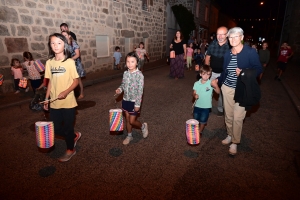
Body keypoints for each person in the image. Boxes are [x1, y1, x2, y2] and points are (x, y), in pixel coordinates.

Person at [218, 27, 262, 155]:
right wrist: (218, 82)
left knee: (238, 117)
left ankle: (235, 142)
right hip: (227, 88)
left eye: (235, 36)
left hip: (242, 89)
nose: (232, 39)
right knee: (228, 115)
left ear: (242, 38)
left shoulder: (250, 52)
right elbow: (224, 71)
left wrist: (244, 73)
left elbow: (258, 69)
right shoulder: (227, 53)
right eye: (230, 37)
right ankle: (230, 135)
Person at [44, 33, 81, 162]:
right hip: (54, 102)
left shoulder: (70, 62)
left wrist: (66, 92)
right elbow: (50, 83)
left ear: (64, 44)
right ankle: (73, 136)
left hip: (68, 102)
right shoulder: (49, 63)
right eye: (52, 43)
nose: (55, 45)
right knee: (55, 128)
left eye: (59, 43)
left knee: (68, 127)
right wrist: (47, 98)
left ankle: (70, 149)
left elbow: (75, 81)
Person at [115, 52, 149, 145]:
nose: (130, 64)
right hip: (126, 100)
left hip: (134, 102)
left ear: (137, 62)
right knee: (127, 119)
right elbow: (123, 84)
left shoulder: (139, 75)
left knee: (132, 121)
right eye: (128, 61)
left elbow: (140, 91)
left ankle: (143, 127)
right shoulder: (125, 73)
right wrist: (119, 89)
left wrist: (137, 104)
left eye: (132, 61)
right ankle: (129, 135)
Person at [205, 26, 230, 117]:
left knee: (222, 92)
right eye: (218, 34)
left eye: (222, 34)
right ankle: (207, 107)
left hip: (224, 74)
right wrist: (206, 71)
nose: (219, 36)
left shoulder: (230, 46)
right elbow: (207, 57)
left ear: (227, 35)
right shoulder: (212, 44)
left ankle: (220, 109)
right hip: (212, 72)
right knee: (208, 90)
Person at [193, 65, 220, 135]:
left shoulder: (211, 83)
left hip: (206, 107)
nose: (206, 76)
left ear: (210, 75)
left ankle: (200, 131)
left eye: (208, 74)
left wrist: (216, 86)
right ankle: (196, 128)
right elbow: (194, 92)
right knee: (196, 119)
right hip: (197, 105)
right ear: (200, 74)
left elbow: (218, 92)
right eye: (204, 74)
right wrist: (194, 95)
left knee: (203, 120)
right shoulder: (196, 83)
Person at [62, 30, 86, 99]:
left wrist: (68, 60)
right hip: (68, 64)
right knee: (69, 80)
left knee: (78, 80)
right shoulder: (63, 44)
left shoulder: (73, 43)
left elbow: (77, 54)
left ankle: (81, 93)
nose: (63, 37)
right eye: (62, 35)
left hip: (76, 64)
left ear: (69, 36)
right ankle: (71, 94)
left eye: (65, 35)